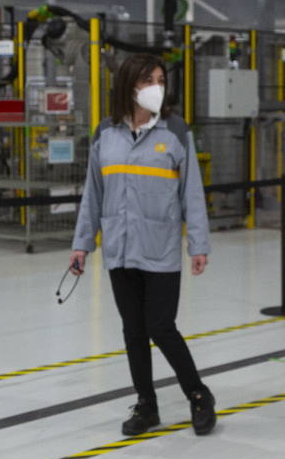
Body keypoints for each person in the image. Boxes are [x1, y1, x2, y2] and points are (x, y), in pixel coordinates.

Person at [70, 53, 216, 436]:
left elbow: (192, 194)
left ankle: (199, 395)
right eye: (148, 79)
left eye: (160, 79)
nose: (157, 87)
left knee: (161, 327)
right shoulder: (106, 133)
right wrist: (81, 244)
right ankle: (146, 405)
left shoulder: (175, 132)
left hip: (161, 250)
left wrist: (198, 244)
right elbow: (93, 194)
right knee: (133, 331)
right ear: (128, 85)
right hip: (120, 251)